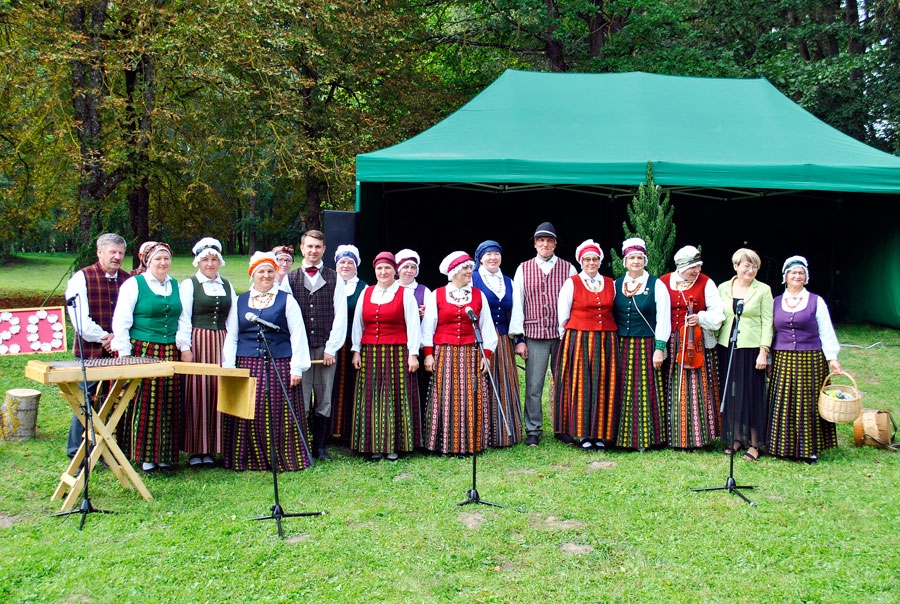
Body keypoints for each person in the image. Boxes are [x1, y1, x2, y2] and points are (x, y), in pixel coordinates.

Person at [221, 251, 313, 471]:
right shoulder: (240, 301)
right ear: (252, 274)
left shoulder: (286, 300)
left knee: (276, 409)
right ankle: (247, 458)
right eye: (261, 271)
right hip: (247, 361)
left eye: (270, 271)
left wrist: (297, 368)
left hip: (278, 361)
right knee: (249, 408)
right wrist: (229, 368)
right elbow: (232, 335)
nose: (266, 275)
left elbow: (298, 335)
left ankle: (281, 457)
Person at [111, 242, 192, 474]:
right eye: (158, 259)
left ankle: (165, 455)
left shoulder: (175, 285)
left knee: (168, 402)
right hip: (142, 349)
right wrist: (124, 354)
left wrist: (183, 346)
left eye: (166, 258)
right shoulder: (134, 284)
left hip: (169, 351)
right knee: (146, 402)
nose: (163, 263)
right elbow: (122, 321)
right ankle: (146, 456)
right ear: (147, 261)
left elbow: (183, 319)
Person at [421, 251, 498, 456]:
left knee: (470, 397)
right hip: (444, 353)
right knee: (445, 397)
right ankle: (445, 444)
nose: (469, 271)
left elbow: (487, 327)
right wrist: (428, 354)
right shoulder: (437, 294)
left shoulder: (478, 295)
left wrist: (486, 354)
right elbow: (428, 327)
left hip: (471, 352)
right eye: (465, 268)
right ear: (454, 271)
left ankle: (470, 442)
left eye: (470, 268)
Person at [767, 256, 842, 464]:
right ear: (785, 277)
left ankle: (809, 449)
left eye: (801, 273)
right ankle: (780, 446)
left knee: (807, 403)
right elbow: (770, 332)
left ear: (806, 277)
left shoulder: (816, 301)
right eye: (793, 272)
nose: (797, 276)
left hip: (811, 358)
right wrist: (769, 358)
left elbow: (826, 332)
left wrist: (832, 358)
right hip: (783, 358)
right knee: (783, 401)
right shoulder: (776, 302)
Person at [509, 222, 577, 447]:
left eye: (549, 240)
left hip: (562, 336)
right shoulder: (523, 268)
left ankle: (562, 427)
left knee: (563, 382)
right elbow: (518, 303)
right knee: (534, 385)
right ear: (535, 244)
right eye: (541, 240)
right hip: (534, 334)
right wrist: (519, 338)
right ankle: (533, 429)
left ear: (555, 243)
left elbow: (575, 302)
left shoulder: (568, 268)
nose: (545, 244)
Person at [63, 233, 129, 458]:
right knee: (86, 401)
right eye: (112, 252)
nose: (117, 257)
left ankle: (106, 449)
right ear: (99, 252)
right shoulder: (81, 278)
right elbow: (80, 320)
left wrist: (117, 339)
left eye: (120, 253)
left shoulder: (128, 280)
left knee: (113, 398)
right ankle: (76, 451)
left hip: (118, 352)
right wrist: (106, 338)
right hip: (90, 351)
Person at [350, 252, 421, 461]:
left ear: (395, 271)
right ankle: (372, 445)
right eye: (380, 268)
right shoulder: (367, 292)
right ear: (375, 270)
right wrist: (356, 349)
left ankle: (394, 445)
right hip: (370, 351)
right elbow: (358, 324)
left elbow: (413, 325)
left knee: (394, 397)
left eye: (388, 268)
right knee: (371, 397)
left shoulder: (405, 293)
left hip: (397, 352)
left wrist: (413, 354)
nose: (383, 272)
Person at [286, 230, 348, 461]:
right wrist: (295, 350)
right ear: (302, 248)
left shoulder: (334, 278)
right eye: (309, 246)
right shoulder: (289, 280)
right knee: (301, 399)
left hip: (325, 348)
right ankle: (301, 445)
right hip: (300, 349)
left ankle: (320, 447)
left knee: (324, 399)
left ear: (324, 250)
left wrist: (332, 348)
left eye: (318, 247)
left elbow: (340, 316)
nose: (313, 251)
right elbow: (287, 317)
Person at [554, 240, 619, 450]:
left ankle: (600, 432)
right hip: (579, 339)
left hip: (605, 340)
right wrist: (570, 342)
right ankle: (582, 433)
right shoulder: (571, 283)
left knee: (602, 384)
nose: (591, 263)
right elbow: (562, 316)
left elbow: (614, 310)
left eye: (595, 259)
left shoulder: (611, 283)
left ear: (600, 261)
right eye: (587, 259)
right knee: (582, 384)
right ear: (581, 261)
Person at [178, 237, 237, 468]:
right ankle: (195, 449)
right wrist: (185, 347)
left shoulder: (227, 286)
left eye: (214, 260)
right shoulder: (189, 285)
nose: (210, 264)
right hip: (198, 341)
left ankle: (213, 446)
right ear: (198, 262)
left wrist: (229, 352)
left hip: (220, 342)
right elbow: (183, 317)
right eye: (205, 260)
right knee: (196, 392)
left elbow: (232, 321)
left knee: (216, 392)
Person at [660, 245, 724, 450]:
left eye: (698, 266)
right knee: (671, 389)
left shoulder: (707, 282)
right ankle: (671, 436)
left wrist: (701, 317)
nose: (696, 271)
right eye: (692, 268)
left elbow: (718, 315)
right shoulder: (664, 281)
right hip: (672, 341)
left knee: (697, 391)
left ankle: (697, 438)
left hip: (695, 343)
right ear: (681, 267)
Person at [612, 237, 671, 451]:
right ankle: (619, 438)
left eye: (639, 258)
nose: (635, 262)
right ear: (625, 261)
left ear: (645, 260)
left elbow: (664, 318)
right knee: (621, 389)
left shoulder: (657, 284)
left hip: (646, 344)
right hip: (620, 345)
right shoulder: (616, 284)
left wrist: (659, 348)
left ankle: (645, 438)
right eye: (631, 258)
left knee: (644, 390)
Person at [716, 247, 773, 462]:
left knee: (752, 394)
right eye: (746, 265)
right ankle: (736, 438)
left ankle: (755, 443)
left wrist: (763, 351)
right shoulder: (723, 287)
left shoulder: (763, 290)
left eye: (754, 266)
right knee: (732, 393)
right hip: (727, 346)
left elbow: (768, 322)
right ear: (735, 266)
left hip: (751, 349)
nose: (751, 269)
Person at [471, 240, 524, 447]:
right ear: (480, 258)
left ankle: (504, 433)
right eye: (488, 254)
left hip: (503, 340)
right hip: (480, 340)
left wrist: (518, 339)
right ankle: (482, 434)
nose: (493, 257)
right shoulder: (473, 278)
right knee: (482, 383)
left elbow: (516, 312)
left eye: (496, 253)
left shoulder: (509, 281)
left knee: (504, 383)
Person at [331, 244, 367, 445]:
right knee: (330, 385)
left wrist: (357, 348)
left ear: (356, 266)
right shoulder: (328, 283)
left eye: (350, 262)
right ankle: (328, 431)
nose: (345, 266)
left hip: (353, 343)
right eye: (342, 262)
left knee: (351, 386)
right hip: (332, 343)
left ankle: (348, 431)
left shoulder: (364, 288)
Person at [395, 248, 430, 442]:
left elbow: (434, 321)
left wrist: (427, 313)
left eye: (412, 267)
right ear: (398, 269)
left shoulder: (425, 291)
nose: (409, 271)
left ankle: (419, 432)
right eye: (405, 267)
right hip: (397, 346)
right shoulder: (389, 289)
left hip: (419, 348)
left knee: (419, 390)